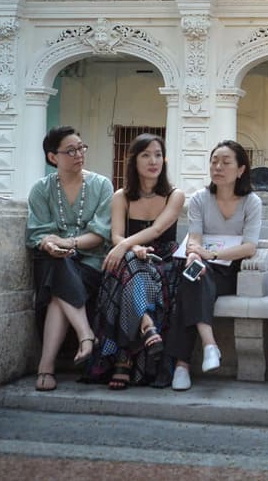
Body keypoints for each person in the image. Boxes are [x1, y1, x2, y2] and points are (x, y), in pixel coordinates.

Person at [87, 133, 185, 390]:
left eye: (157, 155)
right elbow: (117, 233)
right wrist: (131, 247)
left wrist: (125, 245)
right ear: (133, 160)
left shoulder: (175, 195)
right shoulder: (121, 196)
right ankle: (147, 327)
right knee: (133, 264)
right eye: (145, 155)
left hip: (163, 260)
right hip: (131, 260)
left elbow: (156, 232)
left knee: (130, 265)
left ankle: (123, 360)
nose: (153, 161)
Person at [165, 140, 263, 391]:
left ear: (241, 169)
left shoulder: (252, 202)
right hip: (201, 265)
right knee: (191, 277)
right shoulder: (200, 198)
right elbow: (194, 236)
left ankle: (182, 364)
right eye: (214, 161)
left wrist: (210, 254)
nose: (218, 167)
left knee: (190, 283)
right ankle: (209, 346)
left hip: (230, 270)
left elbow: (250, 246)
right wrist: (194, 253)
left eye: (225, 162)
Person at [25, 127, 113, 392]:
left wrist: (69, 242)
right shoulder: (41, 189)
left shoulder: (101, 185)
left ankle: (46, 367)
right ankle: (85, 334)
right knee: (59, 264)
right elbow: (38, 233)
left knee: (56, 290)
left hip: (90, 263)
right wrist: (51, 244)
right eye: (70, 151)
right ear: (53, 157)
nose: (79, 155)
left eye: (81, 148)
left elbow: (100, 233)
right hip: (53, 260)